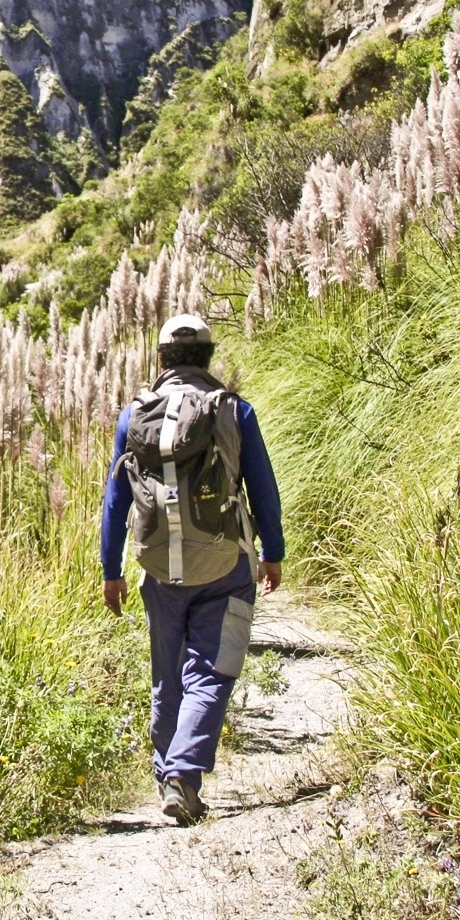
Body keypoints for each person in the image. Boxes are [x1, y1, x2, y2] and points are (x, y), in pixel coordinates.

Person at [100, 313, 284, 826]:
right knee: (211, 671)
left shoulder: (133, 415)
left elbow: (115, 500)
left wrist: (109, 568)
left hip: (158, 565)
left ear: (161, 360)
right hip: (224, 563)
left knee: (168, 674)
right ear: (208, 359)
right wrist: (273, 551)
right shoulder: (233, 411)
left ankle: (168, 777)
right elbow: (262, 488)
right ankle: (183, 775)